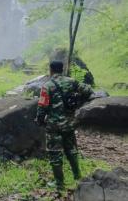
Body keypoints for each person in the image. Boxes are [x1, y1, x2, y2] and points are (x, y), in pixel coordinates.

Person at [36, 60, 93, 192]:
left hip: (53, 126)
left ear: (51, 70)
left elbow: (42, 106)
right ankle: (77, 177)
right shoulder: (72, 82)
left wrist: (39, 121)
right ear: (62, 69)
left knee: (55, 153)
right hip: (69, 123)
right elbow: (88, 91)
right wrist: (78, 102)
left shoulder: (47, 86)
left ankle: (60, 185)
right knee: (71, 150)